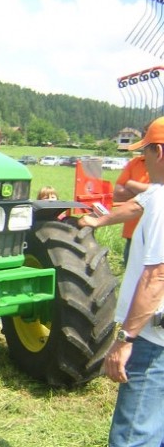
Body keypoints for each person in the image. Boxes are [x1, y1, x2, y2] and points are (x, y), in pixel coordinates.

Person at [79, 115, 164, 447]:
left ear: (159, 152)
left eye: (145, 154)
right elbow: (132, 206)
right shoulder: (156, 194)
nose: (141, 161)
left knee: (133, 436)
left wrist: (126, 339)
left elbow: (157, 276)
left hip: (152, 338)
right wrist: (96, 220)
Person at [113, 131, 150, 264]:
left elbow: (157, 194)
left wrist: (131, 184)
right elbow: (117, 194)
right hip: (133, 233)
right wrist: (146, 192)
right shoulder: (135, 162)